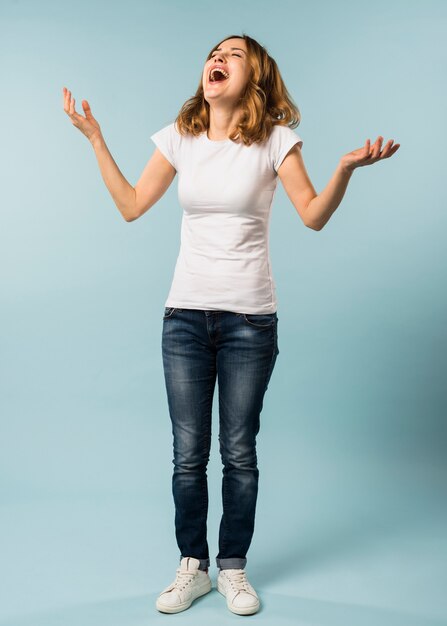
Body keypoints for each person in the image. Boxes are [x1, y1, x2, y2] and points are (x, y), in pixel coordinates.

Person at [62, 32, 400, 616]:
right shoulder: (180, 138)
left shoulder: (277, 142)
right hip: (184, 319)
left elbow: (314, 216)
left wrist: (345, 168)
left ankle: (233, 568)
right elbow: (131, 204)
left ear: (256, 77)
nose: (217, 58)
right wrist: (96, 139)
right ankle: (192, 567)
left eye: (234, 54)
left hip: (250, 320)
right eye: (214, 52)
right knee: (188, 453)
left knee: (238, 451)